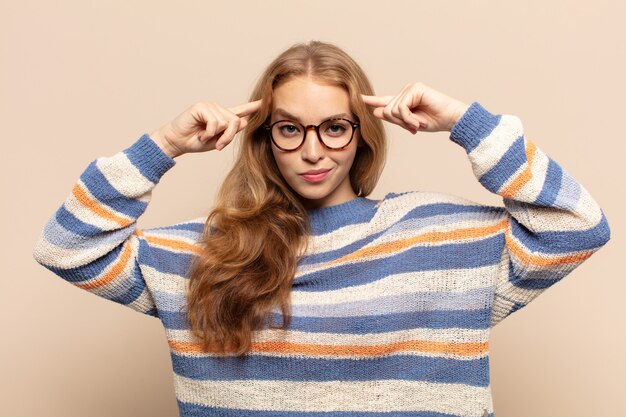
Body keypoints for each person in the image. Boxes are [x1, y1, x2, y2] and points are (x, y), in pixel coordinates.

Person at [32, 40, 611, 417]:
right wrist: (164, 145)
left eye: (334, 127)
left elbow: (576, 225)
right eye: (289, 129)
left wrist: (467, 122)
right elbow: (67, 248)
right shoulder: (209, 252)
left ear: (361, 132)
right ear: (265, 138)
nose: (313, 150)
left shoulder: (438, 238)